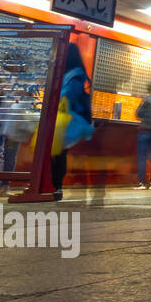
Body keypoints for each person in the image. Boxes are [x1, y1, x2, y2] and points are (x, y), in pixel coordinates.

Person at [50, 43, 94, 201]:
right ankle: (55, 186)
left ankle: (55, 186)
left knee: (55, 152)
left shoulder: (67, 73)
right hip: (64, 117)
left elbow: (68, 96)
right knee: (58, 153)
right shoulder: (77, 74)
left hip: (62, 117)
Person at [133, 79, 151, 190]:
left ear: (150, 88)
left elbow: (138, 114)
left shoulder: (147, 99)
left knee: (142, 157)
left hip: (145, 131)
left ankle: (141, 182)